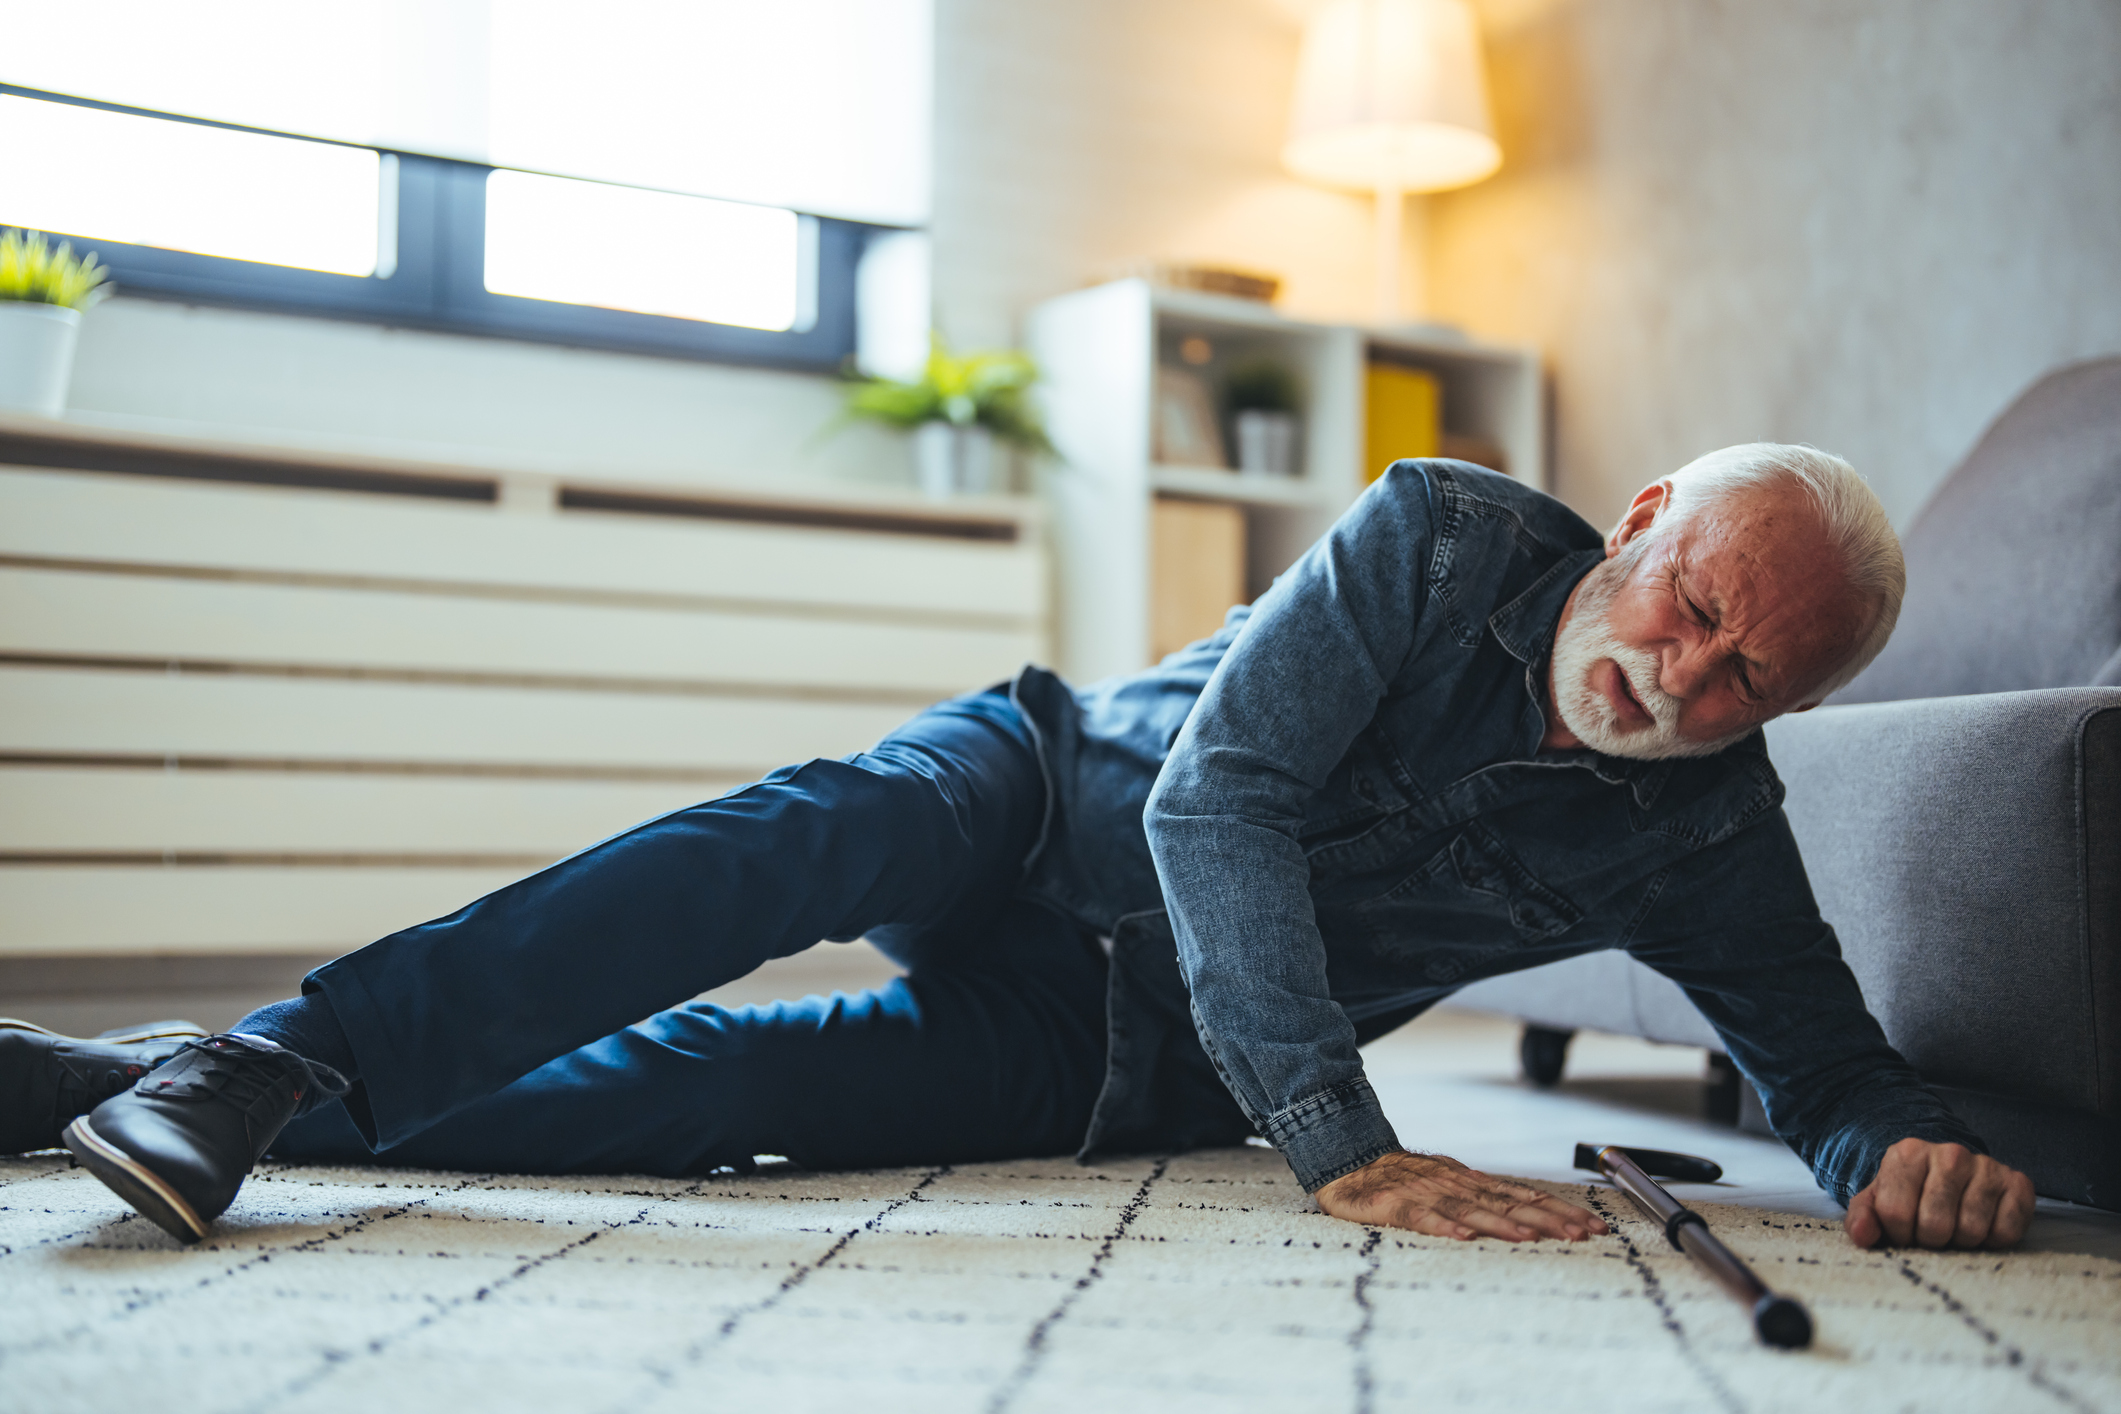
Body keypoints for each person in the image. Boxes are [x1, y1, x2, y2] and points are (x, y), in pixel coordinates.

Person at [5, 445, 2035, 1254]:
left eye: (1745, 679)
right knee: (775, 850)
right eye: (1687, 601)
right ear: (1644, 504)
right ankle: (277, 1049)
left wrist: (1897, 1155)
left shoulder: (1707, 829)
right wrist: (1336, 1129)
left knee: (708, 1104)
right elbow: (1212, 792)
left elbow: (1826, 1067)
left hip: (1111, 1051)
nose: (1679, 676)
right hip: (1039, 790)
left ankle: (156, 1084)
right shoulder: (1440, 534)